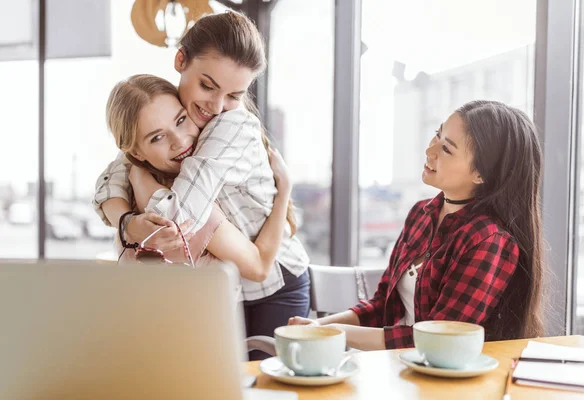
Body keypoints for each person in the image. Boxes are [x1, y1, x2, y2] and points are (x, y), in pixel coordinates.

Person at [92, 11, 310, 358]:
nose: (217, 106)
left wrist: (136, 180)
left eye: (235, 94)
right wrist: (126, 220)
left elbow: (176, 216)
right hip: (232, 279)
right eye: (208, 86)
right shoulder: (170, 111)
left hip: (275, 281)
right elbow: (110, 177)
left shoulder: (230, 126)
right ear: (180, 60)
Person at [290, 100, 545, 350]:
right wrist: (318, 326)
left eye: (447, 149)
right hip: (397, 367)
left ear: (481, 174)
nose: (430, 150)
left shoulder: (488, 241)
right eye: (437, 135)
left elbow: (438, 342)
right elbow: (382, 306)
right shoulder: (421, 214)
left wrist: (336, 333)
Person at [104, 74, 291, 282]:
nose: (180, 140)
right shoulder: (189, 204)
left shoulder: (186, 195)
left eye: (181, 120)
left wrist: (136, 180)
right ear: (136, 153)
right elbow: (258, 267)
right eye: (157, 137)